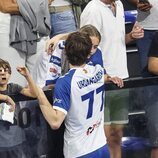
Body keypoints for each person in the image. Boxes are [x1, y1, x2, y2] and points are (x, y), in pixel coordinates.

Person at [46, 1, 144, 158]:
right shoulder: (92, 9)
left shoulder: (119, 4)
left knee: (117, 136)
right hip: (97, 83)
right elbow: (83, 36)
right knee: (103, 136)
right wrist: (60, 36)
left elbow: (115, 40)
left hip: (118, 78)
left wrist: (130, 36)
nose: (93, 49)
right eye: (92, 47)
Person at [27, 31, 124, 158]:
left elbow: (55, 122)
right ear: (89, 52)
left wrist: (39, 92)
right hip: (101, 146)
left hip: (79, 151)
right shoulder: (98, 72)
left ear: (65, 54)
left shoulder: (65, 82)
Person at [33, 24, 103, 88]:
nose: (91, 50)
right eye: (89, 45)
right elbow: (44, 88)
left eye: (95, 47)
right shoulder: (52, 51)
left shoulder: (97, 52)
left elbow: (101, 78)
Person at [0, 58, 37, 158]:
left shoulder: (14, 87)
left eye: (6, 71)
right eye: (0, 71)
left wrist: (27, 76)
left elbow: (34, 94)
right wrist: (6, 97)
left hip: (15, 140)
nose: (3, 74)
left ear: (10, 74)